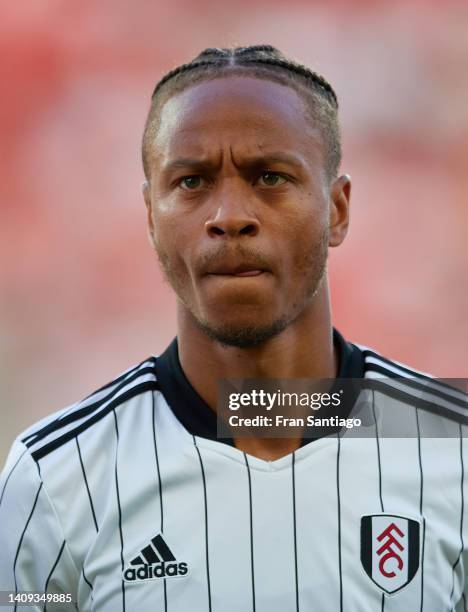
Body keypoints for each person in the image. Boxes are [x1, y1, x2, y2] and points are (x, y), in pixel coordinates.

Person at [0, 45, 466, 612]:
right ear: (151, 216)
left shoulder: (453, 451)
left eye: (270, 176)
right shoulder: (55, 477)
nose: (228, 216)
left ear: (337, 210)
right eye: (192, 182)